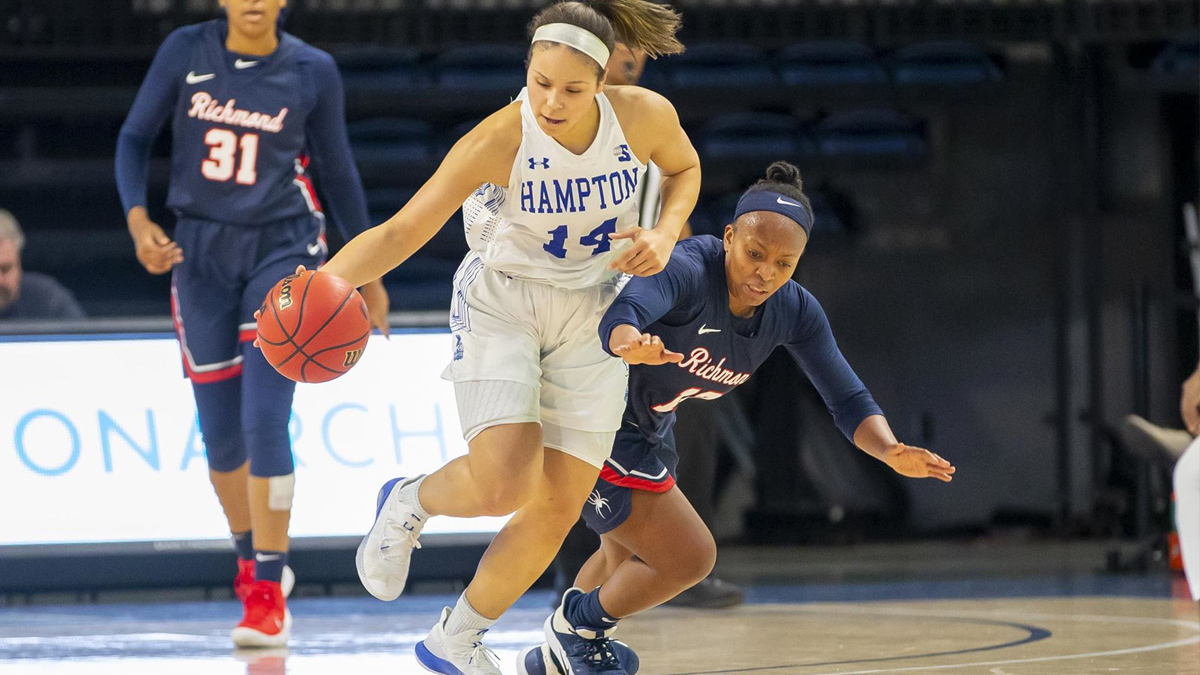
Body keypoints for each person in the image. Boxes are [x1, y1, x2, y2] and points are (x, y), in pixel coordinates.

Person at [308, 1, 697, 672]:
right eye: (541, 81)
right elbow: (401, 232)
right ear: (528, 69)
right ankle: (407, 500)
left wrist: (663, 234)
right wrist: (319, 285)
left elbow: (684, 170)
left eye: (572, 89)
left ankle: (453, 639)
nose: (551, 99)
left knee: (557, 505)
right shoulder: (499, 139)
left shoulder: (644, 118)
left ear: (603, 82)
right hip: (505, 301)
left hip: (593, 311)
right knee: (503, 484)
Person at [516, 161, 956, 675]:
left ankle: (558, 653)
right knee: (691, 558)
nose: (764, 272)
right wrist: (630, 343)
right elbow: (626, 311)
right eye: (754, 253)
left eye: (783, 263)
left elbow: (847, 397)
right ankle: (575, 630)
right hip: (596, 418)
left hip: (649, 428)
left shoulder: (795, 310)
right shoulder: (685, 267)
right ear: (728, 237)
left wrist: (888, 449)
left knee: (625, 561)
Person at [114, 0, 388, 648]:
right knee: (220, 434)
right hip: (200, 250)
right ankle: (249, 559)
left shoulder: (312, 69)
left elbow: (339, 170)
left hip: (283, 246)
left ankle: (268, 585)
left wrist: (372, 270)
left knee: (265, 416)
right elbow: (132, 138)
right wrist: (136, 220)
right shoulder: (186, 49)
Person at [0, 210, 85, 321]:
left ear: (19, 264)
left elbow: (82, 336)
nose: (0, 281)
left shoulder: (48, 300)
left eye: (6, 269)